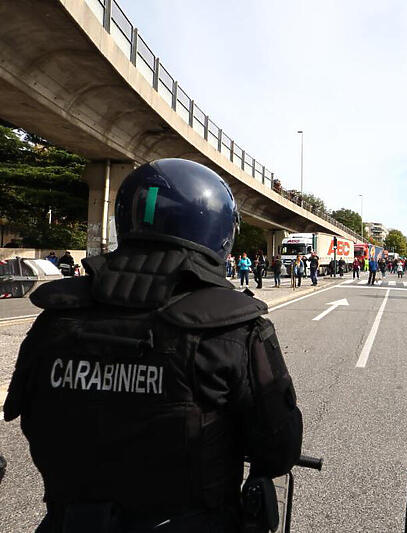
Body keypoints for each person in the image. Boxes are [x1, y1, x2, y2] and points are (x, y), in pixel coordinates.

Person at [3, 158, 302, 532]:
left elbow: (26, 412)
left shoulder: (56, 317)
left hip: (68, 521)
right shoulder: (233, 327)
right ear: (219, 229)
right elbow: (278, 450)